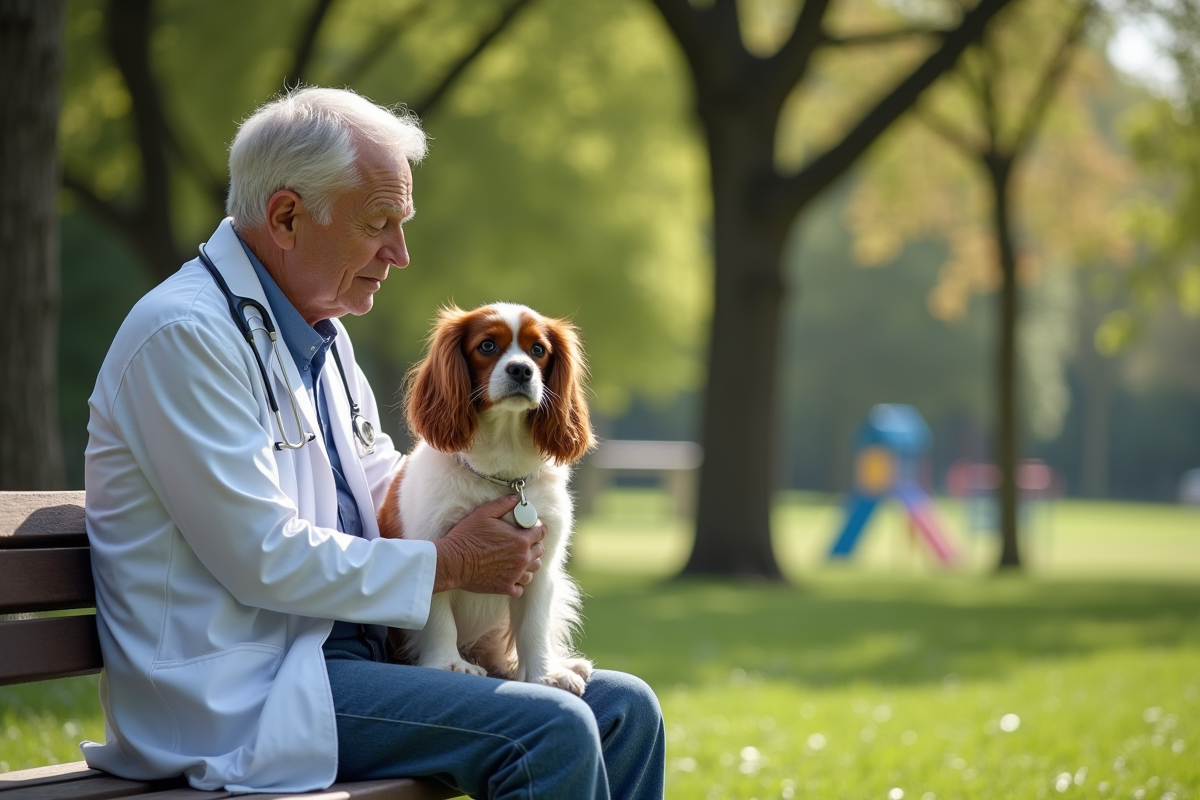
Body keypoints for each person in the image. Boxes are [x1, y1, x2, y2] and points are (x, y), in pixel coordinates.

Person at [82, 86, 664, 800]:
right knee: (550, 729)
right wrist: (447, 561)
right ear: (287, 218)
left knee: (625, 711)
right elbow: (259, 556)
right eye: (378, 223)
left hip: (356, 658)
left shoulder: (318, 333)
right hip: (248, 691)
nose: (401, 253)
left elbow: (380, 483)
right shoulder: (185, 337)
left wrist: (482, 483)